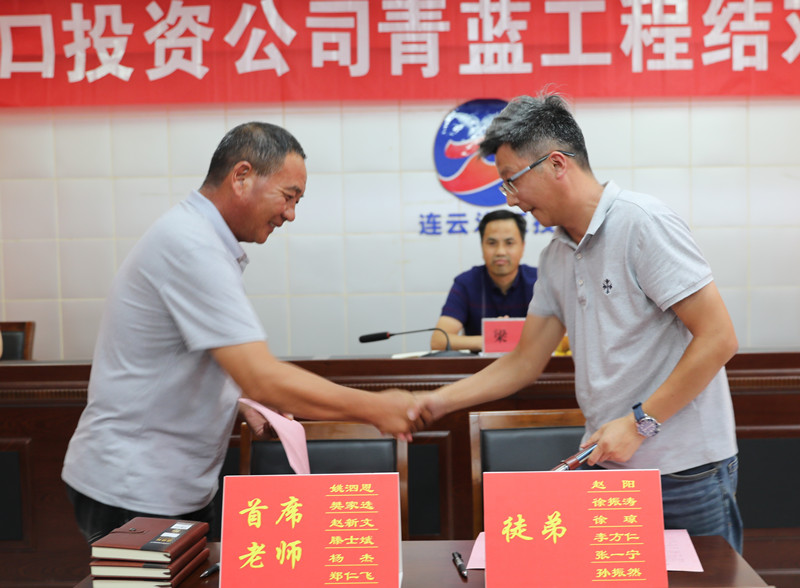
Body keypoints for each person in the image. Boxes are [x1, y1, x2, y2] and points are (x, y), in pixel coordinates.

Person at [62, 122, 423, 544]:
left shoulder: (202, 239)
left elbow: (191, 356)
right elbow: (261, 375)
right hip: (134, 489)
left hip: (170, 485)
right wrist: (375, 408)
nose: (290, 214)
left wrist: (240, 400)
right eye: (288, 196)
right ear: (241, 177)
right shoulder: (191, 245)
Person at [418, 91, 743, 552]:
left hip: (686, 471)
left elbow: (719, 338)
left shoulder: (642, 223)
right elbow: (524, 362)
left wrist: (639, 424)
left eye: (512, 182)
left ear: (556, 164)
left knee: (705, 583)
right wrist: (435, 402)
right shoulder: (555, 256)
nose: (511, 200)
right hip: (609, 466)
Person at [430, 209, 537, 352]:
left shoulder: (539, 282)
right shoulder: (466, 283)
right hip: (480, 365)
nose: (500, 252)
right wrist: (494, 339)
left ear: (522, 247)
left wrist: (505, 338)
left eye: (509, 243)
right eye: (492, 243)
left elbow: (561, 335)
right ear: (482, 246)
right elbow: (439, 340)